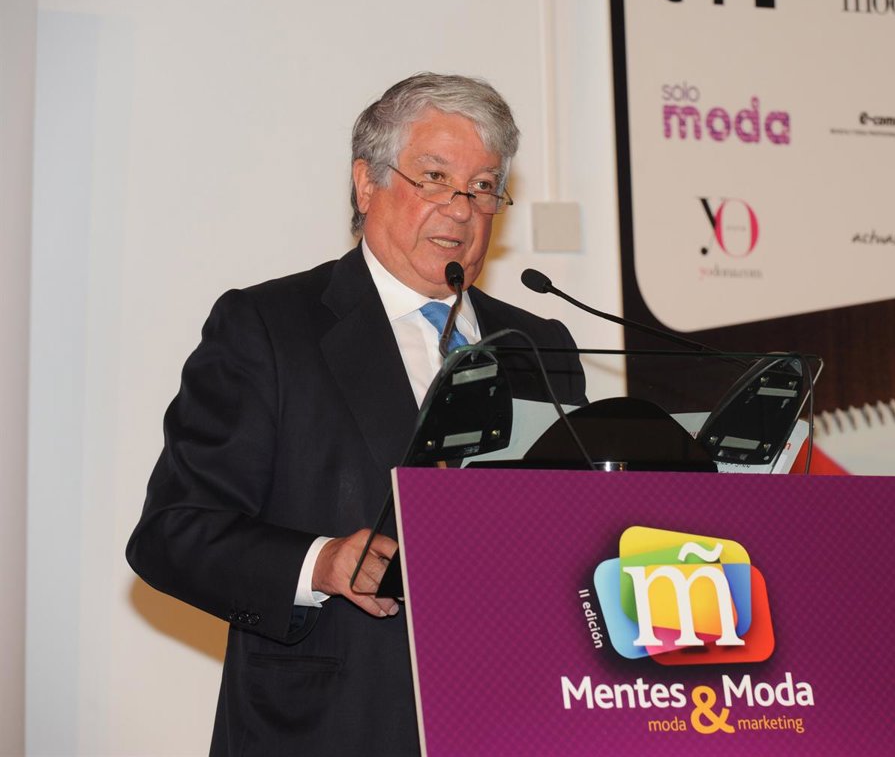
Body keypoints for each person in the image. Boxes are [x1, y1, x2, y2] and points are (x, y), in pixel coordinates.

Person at [127, 73, 586, 755]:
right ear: (367, 182)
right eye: (435, 178)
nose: (461, 209)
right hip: (332, 725)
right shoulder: (269, 328)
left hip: (513, 718)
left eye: (483, 186)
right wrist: (322, 563)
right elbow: (172, 533)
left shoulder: (539, 344)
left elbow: (570, 532)